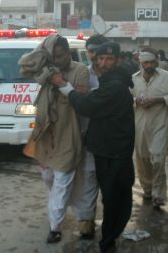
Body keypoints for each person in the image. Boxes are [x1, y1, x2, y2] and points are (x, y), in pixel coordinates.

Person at [51, 42, 135, 253]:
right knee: (107, 194)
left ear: (117, 60)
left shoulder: (114, 85)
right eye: (100, 59)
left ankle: (108, 241)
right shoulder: (111, 81)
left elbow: (87, 106)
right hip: (105, 149)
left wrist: (64, 85)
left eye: (109, 59)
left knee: (114, 198)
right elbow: (95, 98)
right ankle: (106, 234)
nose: (104, 63)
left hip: (114, 152)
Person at [21, 34, 89, 244]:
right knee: (48, 178)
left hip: (69, 135)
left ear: (69, 53)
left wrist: (61, 83)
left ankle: (55, 227)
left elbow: (83, 100)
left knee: (62, 182)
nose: (58, 60)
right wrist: (45, 58)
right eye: (54, 56)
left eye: (61, 56)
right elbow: (24, 66)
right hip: (46, 135)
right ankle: (66, 211)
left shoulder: (80, 70)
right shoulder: (45, 71)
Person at [68, 34, 108, 239]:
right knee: (89, 176)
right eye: (90, 51)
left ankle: (111, 220)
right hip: (87, 135)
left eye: (97, 51)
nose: (93, 56)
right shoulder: (82, 74)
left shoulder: (119, 75)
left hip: (111, 138)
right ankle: (87, 219)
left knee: (109, 181)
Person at [131, 51, 168, 209]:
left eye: (152, 62)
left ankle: (159, 195)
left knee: (158, 159)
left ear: (156, 62)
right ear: (141, 63)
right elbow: (126, 97)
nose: (149, 65)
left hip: (160, 124)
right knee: (143, 159)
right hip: (140, 126)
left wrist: (159, 100)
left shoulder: (166, 76)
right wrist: (136, 101)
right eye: (146, 63)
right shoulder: (133, 79)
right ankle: (147, 188)